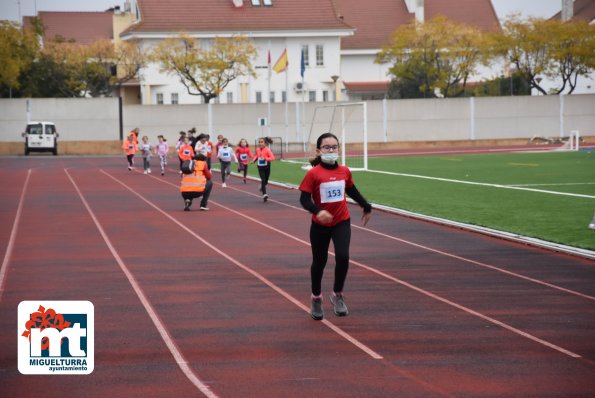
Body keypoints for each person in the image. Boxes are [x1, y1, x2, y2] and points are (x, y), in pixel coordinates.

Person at [298, 132, 372, 321]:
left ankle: (337, 295)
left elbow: (350, 189)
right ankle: (316, 298)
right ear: (319, 150)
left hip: (341, 221)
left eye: (334, 147)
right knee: (319, 262)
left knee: (343, 256)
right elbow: (304, 199)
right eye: (327, 147)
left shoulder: (345, 171)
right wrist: (317, 211)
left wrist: (366, 205)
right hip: (320, 225)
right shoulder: (313, 174)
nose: (331, 150)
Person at [252, 137, 275, 202]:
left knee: (266, 181)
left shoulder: (267, 150)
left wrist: (266, 158)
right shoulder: (257, 149)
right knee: (263, 179)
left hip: (267, 166)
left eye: (262, 142)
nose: (260, 143)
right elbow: (257, 156)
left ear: (265, 143)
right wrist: (253, 160)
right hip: (260, 167)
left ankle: (262, 187)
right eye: (259, 142)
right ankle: (264, 194)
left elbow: (273, 158)